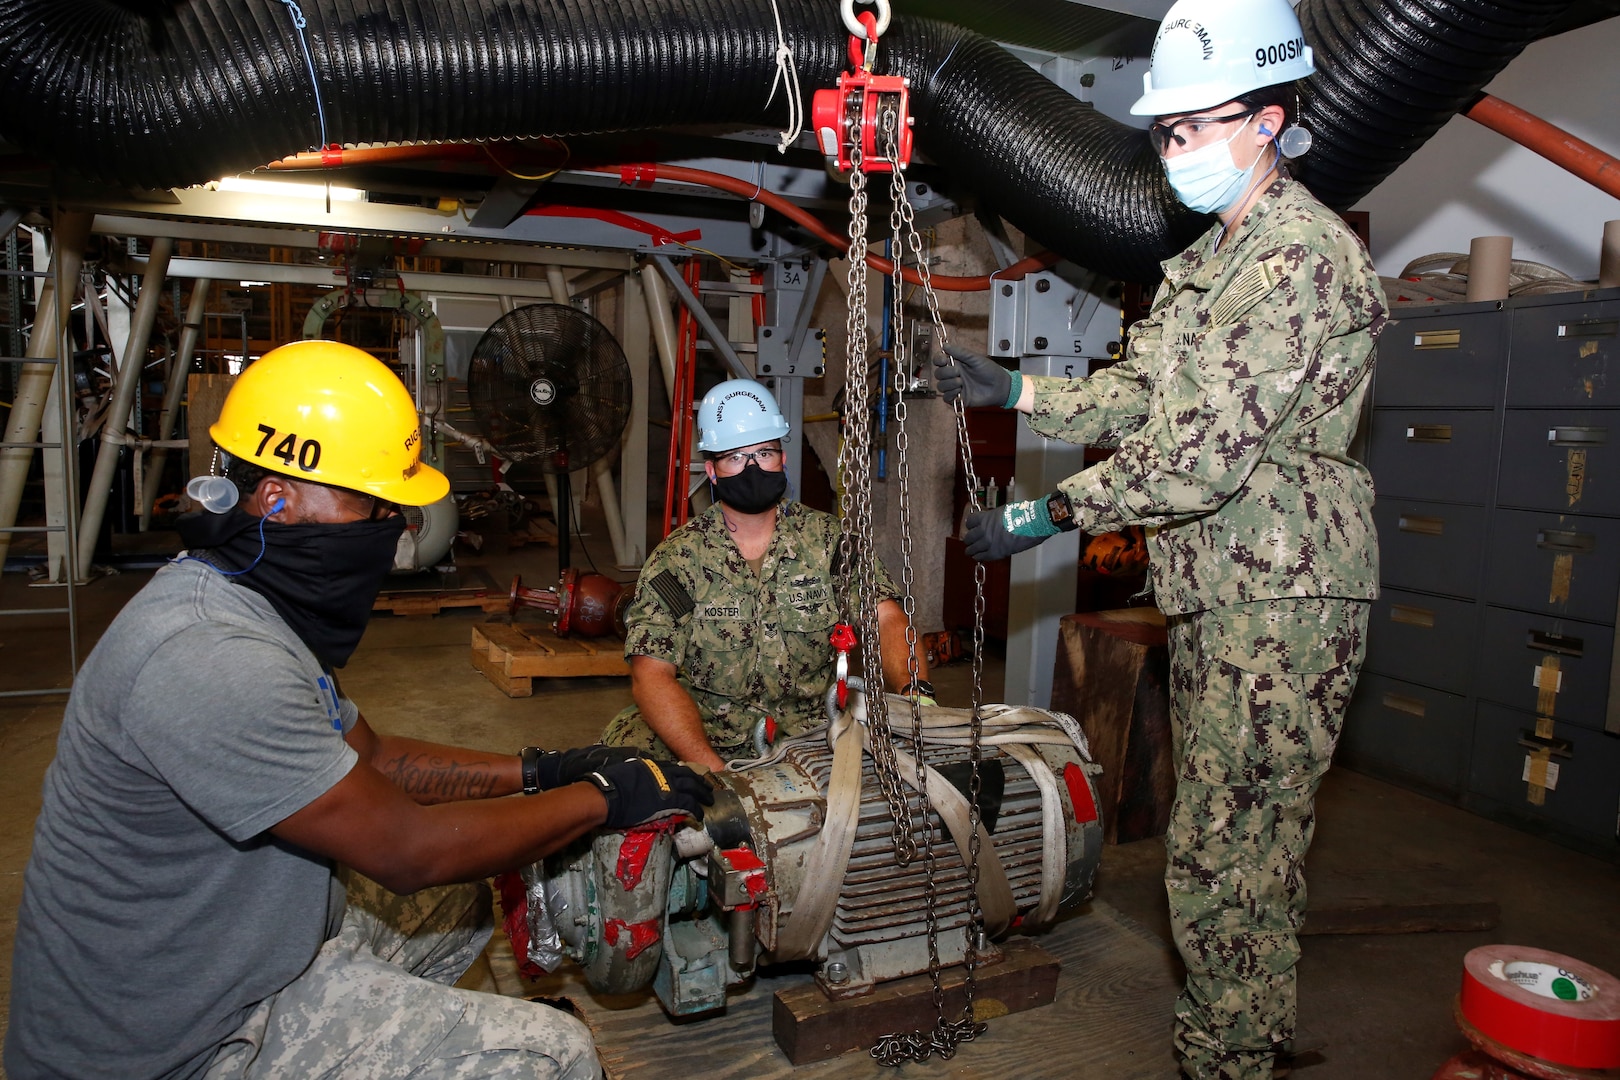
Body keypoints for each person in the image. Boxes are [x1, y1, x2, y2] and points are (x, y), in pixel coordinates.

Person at [5, 340, 712, 1080]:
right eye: (370, 503)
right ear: (278, 497)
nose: (390, 527)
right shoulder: (209, 655)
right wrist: (600, 800)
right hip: (178, 1048)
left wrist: (546, 770)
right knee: (552, 1054)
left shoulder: (251, 604)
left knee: (459, 902)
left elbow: (374, 761)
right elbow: (409, 852)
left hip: (234, 961)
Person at [934, 1, 1385, 1076]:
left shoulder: (1295, 264)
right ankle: (1252, 1037)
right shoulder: (1207, 264)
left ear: (1267, 121)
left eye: (1192, 130)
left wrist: (1042, 516)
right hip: (1226, 593)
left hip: (1280, 600)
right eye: (1165, 134)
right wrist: (1022, 389)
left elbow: (1195, 459)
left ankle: (1221, 1059)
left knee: (1224, 858)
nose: (1174, 153)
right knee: (1245, 843)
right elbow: (1143, 392)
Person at [601, 378, 929, 770]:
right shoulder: (679, 561)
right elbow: (652, 676)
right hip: (708, 739)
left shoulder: (828, 543)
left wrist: (918, 696)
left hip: (813, 737)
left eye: (764, 453)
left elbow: (886, 617)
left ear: (782, 459)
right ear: (712, 470)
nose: (752, 467)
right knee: (621, 770)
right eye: (735, 457)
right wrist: (715, 775)